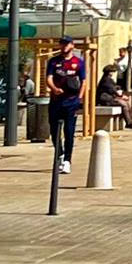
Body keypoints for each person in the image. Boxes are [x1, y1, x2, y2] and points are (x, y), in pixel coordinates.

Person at [45, 36, 86, 173]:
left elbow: (84, 81)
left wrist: (80, 98)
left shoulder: (78, 62)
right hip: (56, 101)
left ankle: (68, 160)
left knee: (69, 131)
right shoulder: (54, 61)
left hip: (72, 101)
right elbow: (49, 78)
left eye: (66, 44)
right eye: (62, 44)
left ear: (72, 46)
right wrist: (54, 89)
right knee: (54, 131)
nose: (63, 47)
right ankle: (60, 154)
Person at [96, 63, 132, 128]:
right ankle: (129, 123)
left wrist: (120, 93)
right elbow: (112, 90)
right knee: (124, 104)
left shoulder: (108, 79)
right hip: (104, 99)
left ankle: (130, 121)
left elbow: (115, 88)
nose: (113, 73)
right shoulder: (106, 80)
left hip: (109, 98)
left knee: (126, 103)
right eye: (113, 72)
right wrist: (121, 96)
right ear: (109, 72)